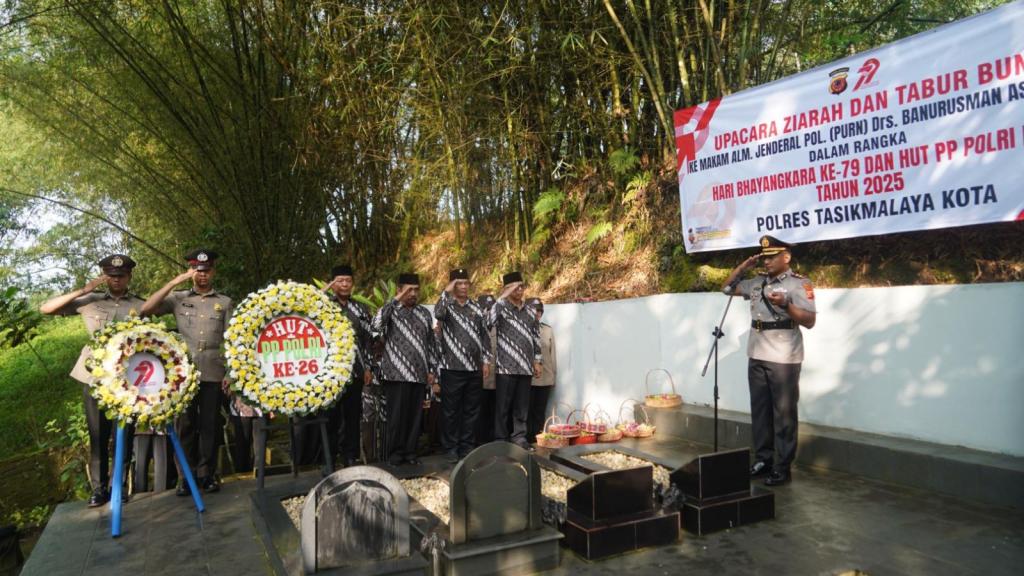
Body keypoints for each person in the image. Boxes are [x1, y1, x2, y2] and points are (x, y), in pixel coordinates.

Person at [40, 254, 144, 507]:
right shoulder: (90, 301)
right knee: (98, 435)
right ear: (105, 277)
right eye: (111, 276)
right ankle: (99, 489)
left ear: (129, 277)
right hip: (94, 377)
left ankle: (119, 486)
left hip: (127, 379)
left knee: (124, 436)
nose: (116, 280)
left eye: (121, 276)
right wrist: (85, 289)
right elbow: (46, 309)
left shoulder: (140, 304)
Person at [722, 235, 816, 486]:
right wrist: (743, 267)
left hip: (784, 356)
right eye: (764, 258)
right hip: (757, 353)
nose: (767, 261)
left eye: (772, 257)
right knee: (760, 411)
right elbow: (727, 288)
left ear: (786, 257)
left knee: (784, 413)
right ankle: (763, 459)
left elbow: (809, 321)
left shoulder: (800, 284)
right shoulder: (757, 282)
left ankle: (783, 467)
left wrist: (786, 305)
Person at [141, 249, 233, 494]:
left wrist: (230, 373)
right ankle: (186, 477)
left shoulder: (224, 302)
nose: (202, 275)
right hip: (182, 372)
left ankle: (207, 474)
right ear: (191, 272)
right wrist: (174, 282)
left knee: (210, 425)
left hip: (213, 369)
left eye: (206, 271)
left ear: (213, 272)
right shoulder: (177, 298)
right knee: (185, 425)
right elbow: (145, 309)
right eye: (197, 271)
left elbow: (232, 340)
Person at [371, 273, 437, 466]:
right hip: (396, 373)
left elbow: (431, 343)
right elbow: (376, 325)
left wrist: (432, 369)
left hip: (419, 374)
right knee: (397, 417)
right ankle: (395, 454)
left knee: (414, 417)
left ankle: (410, 453)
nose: (413, 294)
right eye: (408, 290)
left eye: (416, 290)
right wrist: (396, 299)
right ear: (399, 290)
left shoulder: (424, 313)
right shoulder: (391, 310)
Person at [434, 268, 491, 463]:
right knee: (451, 411)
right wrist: (446, 291)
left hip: (474, 368)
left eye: (466, 283)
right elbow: (437, 313)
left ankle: (467, 447)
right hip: (452, 368)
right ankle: (450, 448)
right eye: (459, 283)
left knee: (471, 410)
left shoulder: (476, 308)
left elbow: (485, 335)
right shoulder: (447, 306)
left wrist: (486, 361)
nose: (464, 286)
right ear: (452, 286)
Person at [324, 263, 374, 467]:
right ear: (333, 284)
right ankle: (329, 458)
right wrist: (323, 292)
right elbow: (306, 312)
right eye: (340, 281)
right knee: (331, 417)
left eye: (348, 281)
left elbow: (368, 340)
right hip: (330, 373)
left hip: (356, 371)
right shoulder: (324, 306)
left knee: (353, 416)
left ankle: (350, 457)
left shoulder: (360, 308)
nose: (344, 284)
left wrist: (368, 367)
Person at [487, 272, 542, 450]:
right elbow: (487, 322)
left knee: (522, 406)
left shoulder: (530, 311)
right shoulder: (500, 307)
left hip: (525, 367)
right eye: (515, 287)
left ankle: (519, 438)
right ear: (507, 289)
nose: (519, 290)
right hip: (505, 367)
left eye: (521, 286)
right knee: (502, 407)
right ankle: (500, 439)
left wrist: (537, 360)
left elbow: (536, 336)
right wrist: (501, 298)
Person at [526, 298, 556, 441]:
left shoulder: (547, 330)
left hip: (545, 378)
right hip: (528, 377)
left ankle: (538, 439)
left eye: (540, 310)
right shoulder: (522, 329)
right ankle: (526, 438)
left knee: (540, 411)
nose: (537, 313)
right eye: (534, 310)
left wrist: (553, 376)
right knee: (526, 411)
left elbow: (552, 355)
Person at [475, 294, 497, 445]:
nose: (488, 312)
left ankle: (492, 441)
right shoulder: (475, 326)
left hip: (496, 379)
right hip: (479, 378)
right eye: (485, 308)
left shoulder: (499, 327)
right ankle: (478, 441)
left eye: (491, 309)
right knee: (478, 412)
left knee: (494, 412)